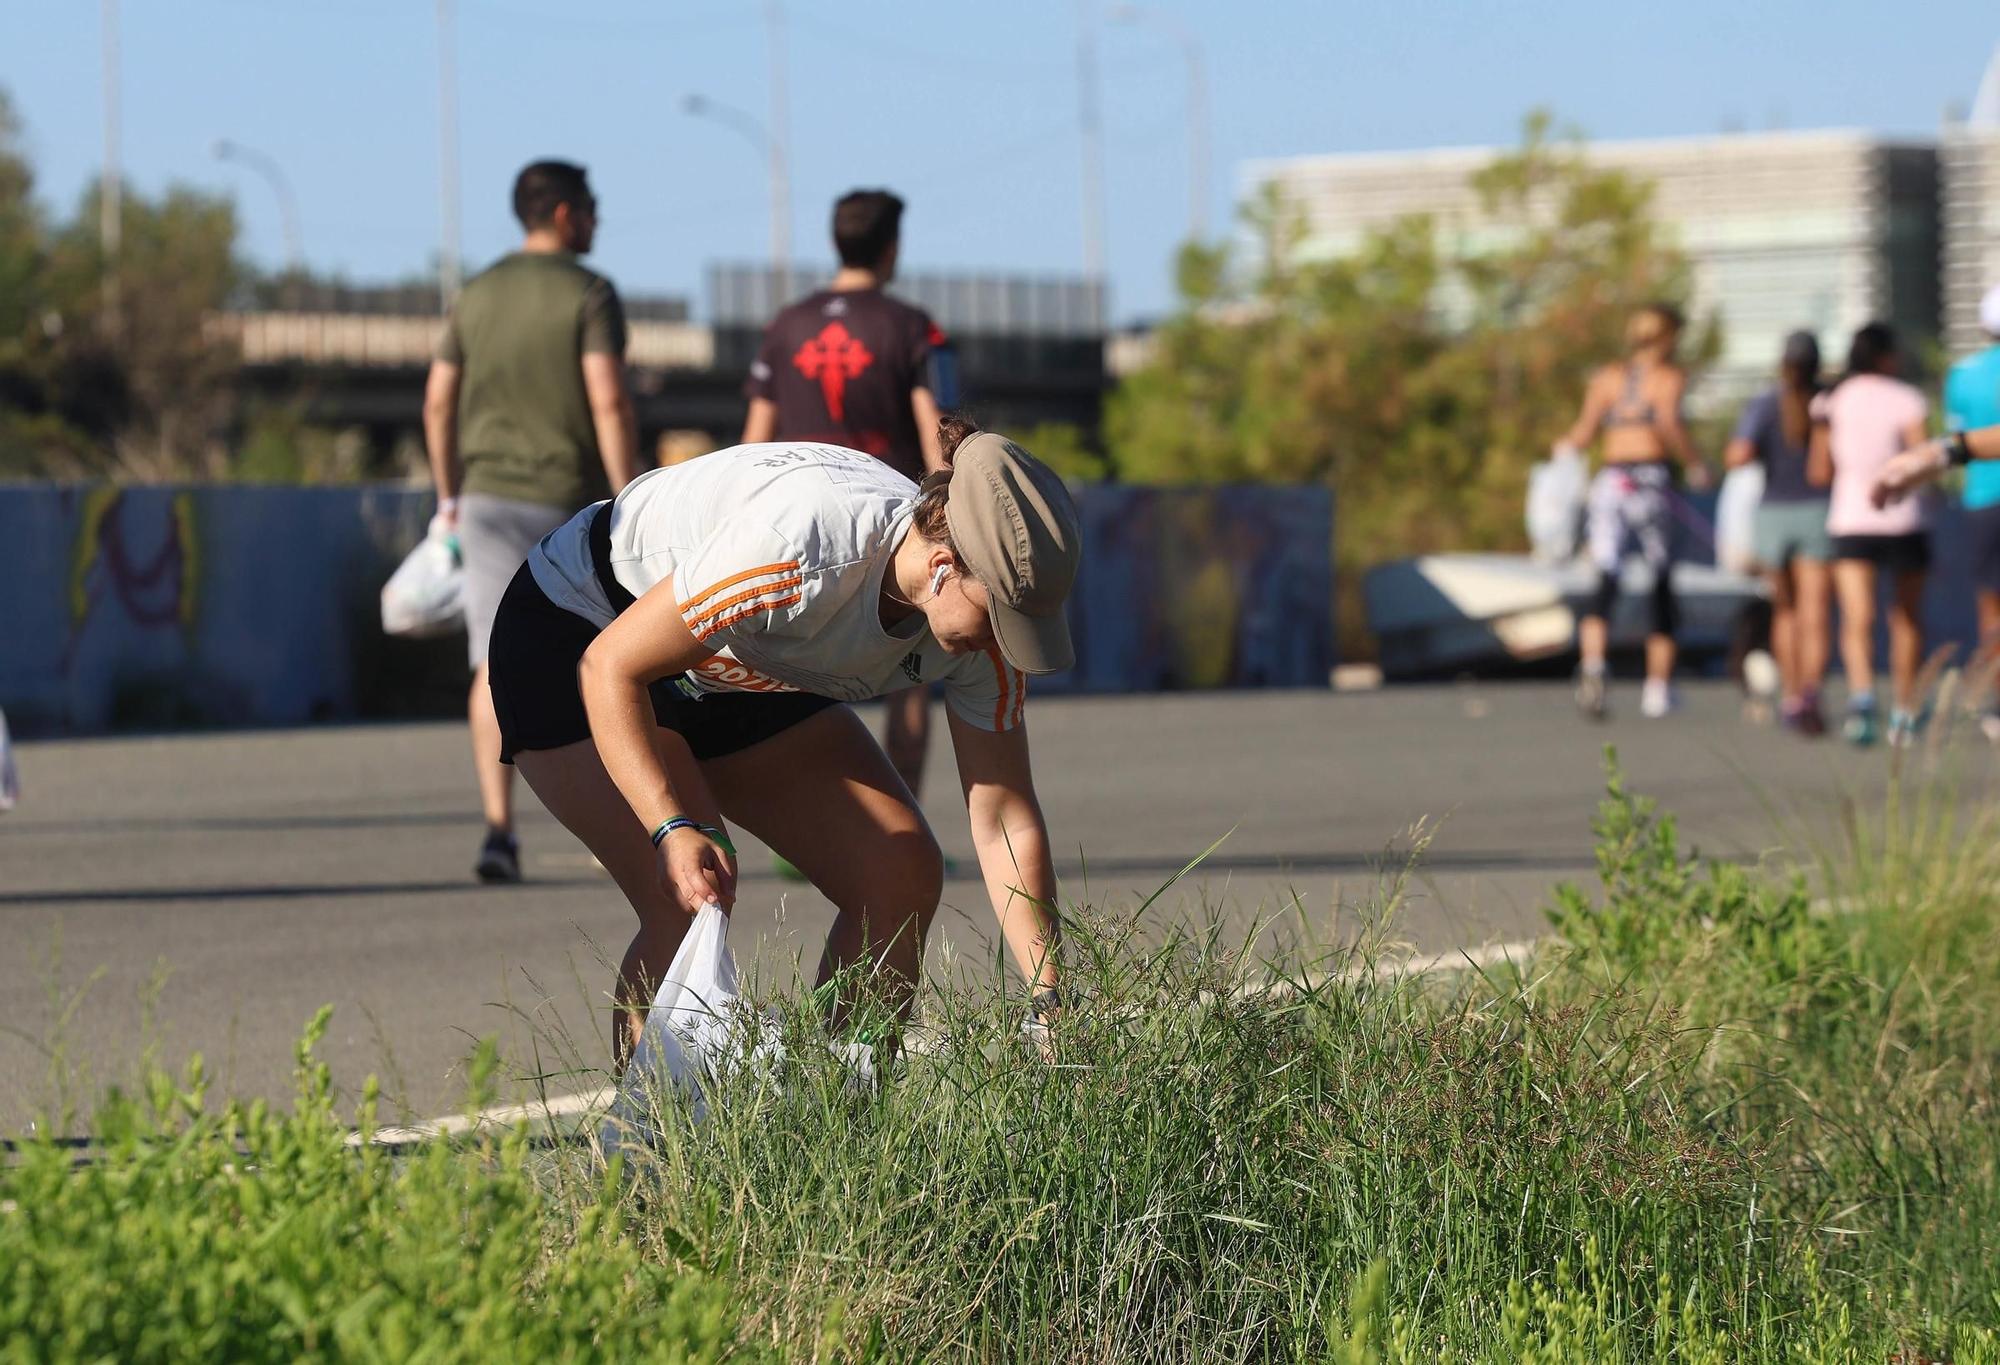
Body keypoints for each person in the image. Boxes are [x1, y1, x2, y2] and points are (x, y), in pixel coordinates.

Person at [484, 416, 1076, 1063]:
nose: (1003, 645)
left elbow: (1004, 816)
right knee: (690, 902)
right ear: (942, 565)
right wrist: (669, 825)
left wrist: (1048, 996)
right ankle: (650, 1147)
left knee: (898, 867)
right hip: (582, 627)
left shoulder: (978, 643)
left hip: (731, 660)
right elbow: (610, 666)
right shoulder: (804, 549)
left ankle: (836, 1125)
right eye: (999, 620)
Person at [424, 160, 641, 882]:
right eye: (591, 206)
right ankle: (608, 820)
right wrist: (631, 495)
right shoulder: (590, 292)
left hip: (485, 503)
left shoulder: (475, 294)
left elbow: (437, 402)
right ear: (560, 213)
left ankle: (498, 829)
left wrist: (450, 495)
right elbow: (608, 401)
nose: (600, 219)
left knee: (494, 663)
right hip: (569, 507)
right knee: (604, 660)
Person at [742, 189, 949, 808]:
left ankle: (809, 828)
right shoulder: (911, 328)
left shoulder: (786, 327)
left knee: (798, 677)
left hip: (798, 526)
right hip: (892, 528)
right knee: (911, 677)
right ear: (891, 247)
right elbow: (936, 432)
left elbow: (752, 441)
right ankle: (902, 819)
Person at [1558, 303, 1711, 720]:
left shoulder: (1608, 377)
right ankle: (1658, 687)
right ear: (1668, 338)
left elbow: (1584, 431)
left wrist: (1560, 454)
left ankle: (1593, 664)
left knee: (1606, 576)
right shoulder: (1668, 379)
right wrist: (1696, 462)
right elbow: (1668, 422)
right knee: (1661, 580)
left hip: (1610, 483)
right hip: (1651, 482)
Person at [1810, 322, 1933, 748]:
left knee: (1856, 619)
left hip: (1851, 518)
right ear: (1887, 356)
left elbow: (1819, 469)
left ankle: (1862, 700)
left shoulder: (1832, 401)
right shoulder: (1907, 398)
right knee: (1906, 618)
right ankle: (1904, 709)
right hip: (1903, 519)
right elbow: (1922, 462)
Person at [1725, 332, 1832, 736]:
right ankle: (1811, 693)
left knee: (1785, 611)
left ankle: (1790, 696)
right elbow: (1828, 466)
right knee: (1815, 612)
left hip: (1772, 515)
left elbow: (1737, 455)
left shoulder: (1764, 403)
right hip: (1817, 511)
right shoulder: (1826, 402)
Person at [1943, 286, 2000, 741]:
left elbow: (1958, 438)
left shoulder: (1962, 376)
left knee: (1990, 605)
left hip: (1982, 500)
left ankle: (1996, 702)